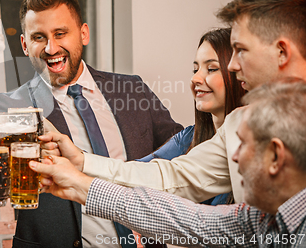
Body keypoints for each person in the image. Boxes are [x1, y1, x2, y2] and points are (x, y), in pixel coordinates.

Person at [42, 0, 306, 205]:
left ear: (282, 52)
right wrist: (82, 162)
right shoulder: (239, 124)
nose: (233, 65)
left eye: (241, 50)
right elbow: (172, 178)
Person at [0, 0, 183, 248]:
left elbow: (181, 154)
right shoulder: (10, 106)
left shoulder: (133, 89)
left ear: (83, 33)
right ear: (25, 45)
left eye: (60, 33)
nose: (50, 47)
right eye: (39, 37)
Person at [31, 79, 306, 247]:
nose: (235, 157)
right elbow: (185, 219)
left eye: (243, 146)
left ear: (275, 156)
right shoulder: (258, 220)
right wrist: (80, 180)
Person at [137, 27, 245, 205]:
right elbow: (139, 173)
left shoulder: (253, 142)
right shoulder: (187, 139)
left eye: (211, 69)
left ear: (238, 74)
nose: (195, 79)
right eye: (195, 70)